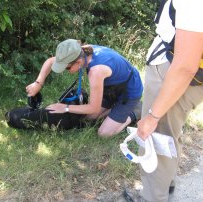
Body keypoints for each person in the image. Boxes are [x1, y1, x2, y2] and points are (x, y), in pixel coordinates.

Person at [124, 0, 203, 201]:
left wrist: (152, 116)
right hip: (186, 75)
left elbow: (185, 66)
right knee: (169, 133)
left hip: (174, 73)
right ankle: (166, 184)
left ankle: (152, 197)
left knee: (155, 137)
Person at [26, 39, 143, 137]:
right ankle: (116, 109)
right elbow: (50, 61)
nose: (66, 71)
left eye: (67, 68)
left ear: (79, 62)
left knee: (104, 133)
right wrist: (38, 83)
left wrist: (65, 108)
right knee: (89, 118)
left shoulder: (96, 71)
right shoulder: (79, 51)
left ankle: (135, 111)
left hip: (129, 90)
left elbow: (94, 108)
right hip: (110, 86)